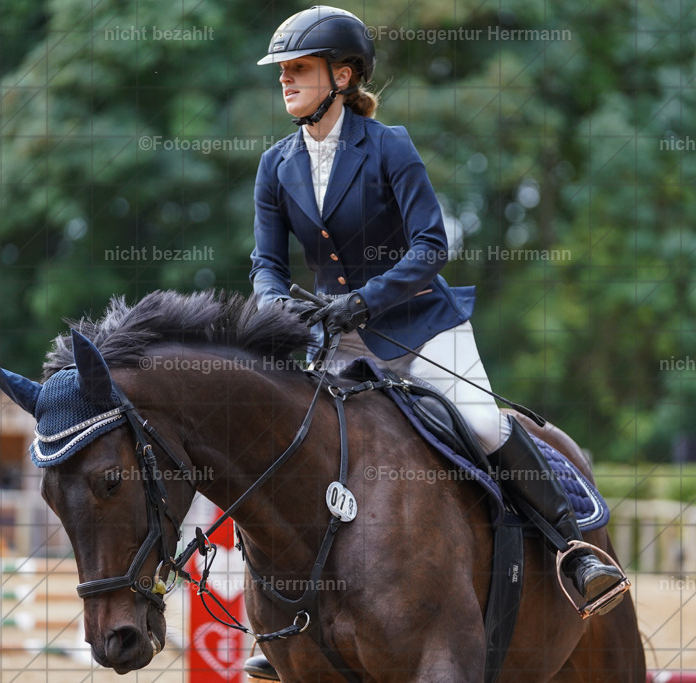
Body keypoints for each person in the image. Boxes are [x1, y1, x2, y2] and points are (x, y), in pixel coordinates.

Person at [248, 9, 624, 671]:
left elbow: (431, 244)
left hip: (420, 324)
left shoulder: (388, 145)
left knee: (480, 423)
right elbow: (266, 264)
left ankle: (574, 551)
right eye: (282, 71)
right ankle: (287, 619)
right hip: (334, 338)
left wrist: (361, 301)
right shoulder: (276, 165)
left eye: (299, 69)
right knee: (291, 445)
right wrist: (276, 309)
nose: (286, 82)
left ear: (343, 74)